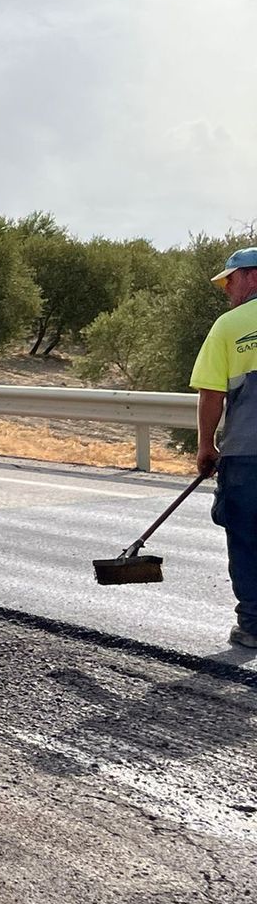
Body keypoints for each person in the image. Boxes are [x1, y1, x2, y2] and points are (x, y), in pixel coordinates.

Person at [192, 246, 257, 650]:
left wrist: (206, 446)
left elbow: (212, 393)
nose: (227, 288)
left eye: (231, 279)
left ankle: (253, 625)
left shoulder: (230, 326)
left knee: (247, 535)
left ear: (252, 276)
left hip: (247, 455)